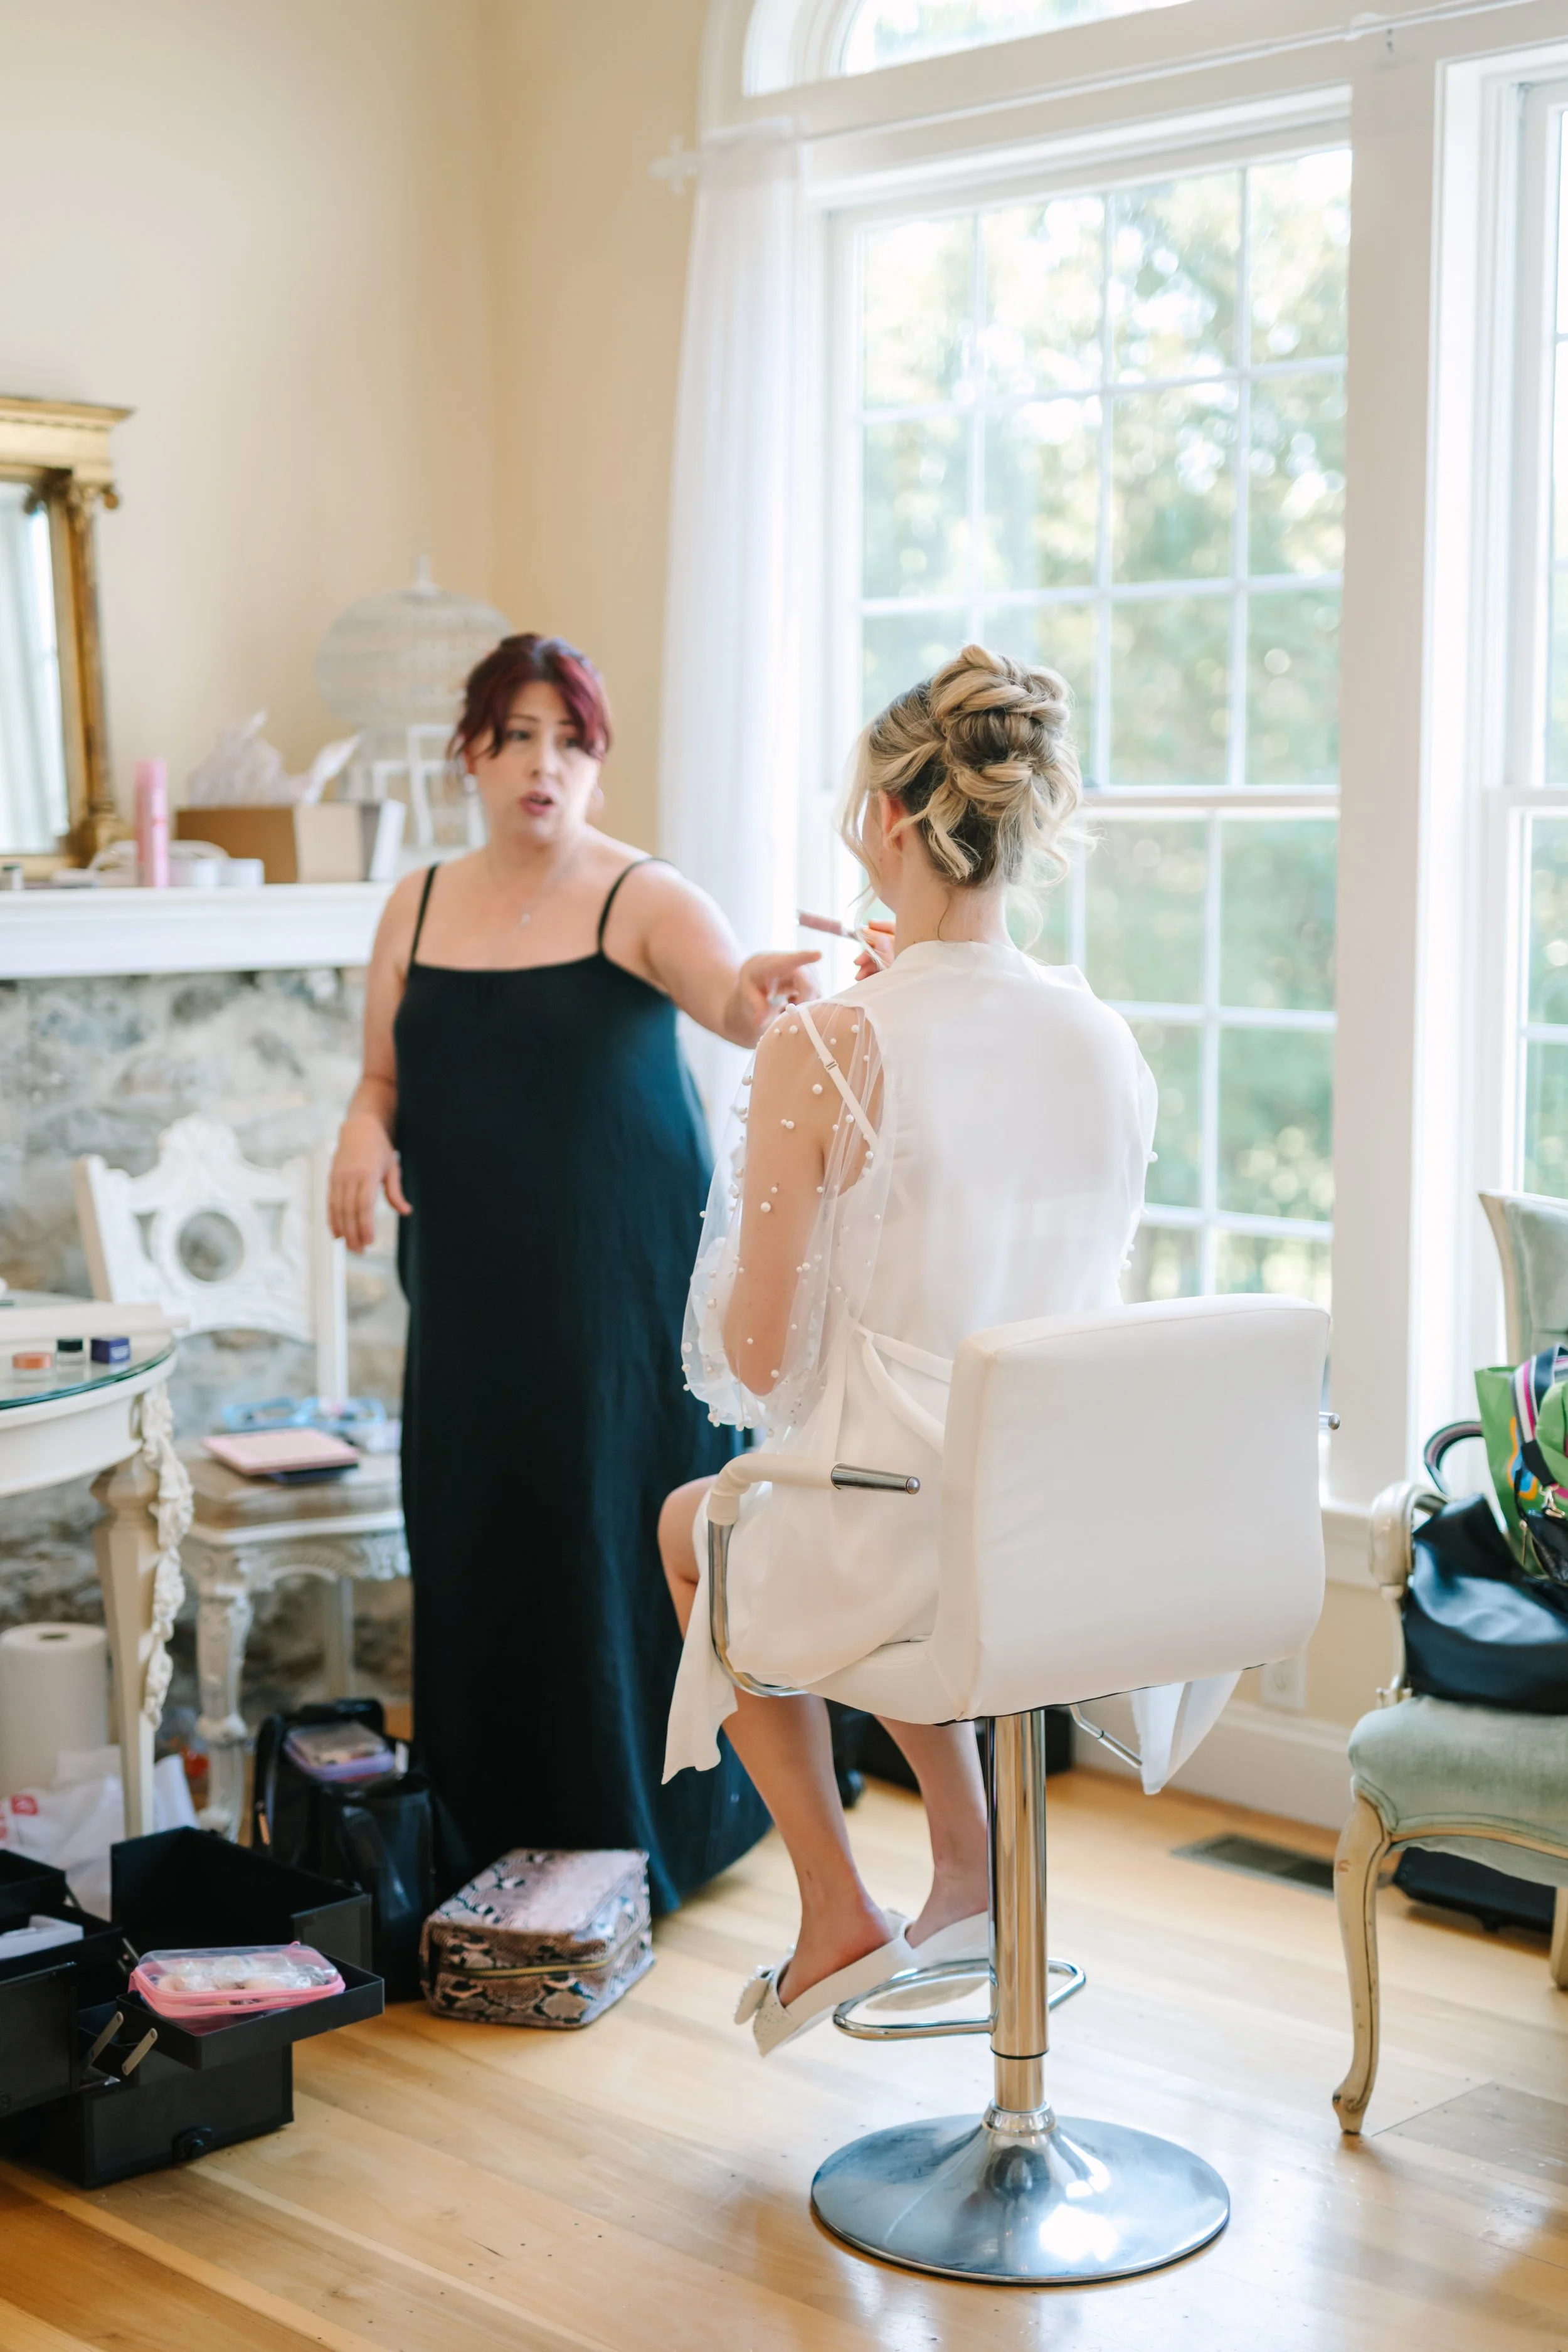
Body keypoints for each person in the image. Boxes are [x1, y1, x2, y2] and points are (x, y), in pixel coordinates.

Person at [659, 642, 1158, 2052]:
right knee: (893, 1489)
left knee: (698, 1524)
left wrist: (815, 1088)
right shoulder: (1105, 1037)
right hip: (1072, 1533)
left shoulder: (823, 1050)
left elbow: (757, 1366)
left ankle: (835, 1908)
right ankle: (966, 1864)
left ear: (889, 818)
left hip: (918, 1533)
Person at [328, 632, 820, 1907]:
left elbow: (729, 1003)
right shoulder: (418, 902)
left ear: (596, 764)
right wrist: (357, 1133)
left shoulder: (639, 894)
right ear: (474, 757)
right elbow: (384, 1077)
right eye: (516, 738)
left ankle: (642, 1830)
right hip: (472, 1290)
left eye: (570, 740)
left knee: (605, 1533)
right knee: (480, 1527)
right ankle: (491, 1831)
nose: (543, 764)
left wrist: (764, 989)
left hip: (615, 1291)